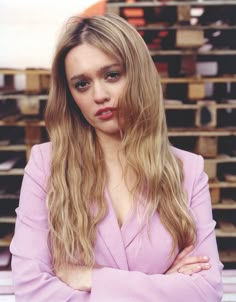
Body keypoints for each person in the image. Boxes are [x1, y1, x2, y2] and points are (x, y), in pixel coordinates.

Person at [10, 13, 223, 301]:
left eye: (112, 75)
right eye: (82, 84)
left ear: (138, 75)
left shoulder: (188, 169)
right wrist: (162, 286)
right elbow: (30, 288)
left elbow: (206, 290)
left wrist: (91, 278)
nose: (99, 95)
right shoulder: (45, 165)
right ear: (70, 95)